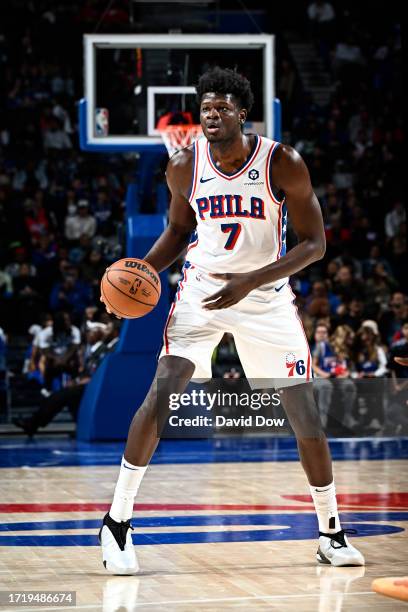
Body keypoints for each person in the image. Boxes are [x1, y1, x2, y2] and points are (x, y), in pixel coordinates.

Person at [99, 67, 364, 573]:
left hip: (266, 299)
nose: (212, 115)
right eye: (205, 109)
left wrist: (251, 281)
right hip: (201, 290)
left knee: (304, 413)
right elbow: (178, 231)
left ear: (243, 113)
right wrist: (136, 274)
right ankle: (116, 523)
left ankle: (331, 533)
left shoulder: (281, 162)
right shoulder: (183, 165)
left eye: (222, 107)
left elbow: (315, 244)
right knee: (163, 391)